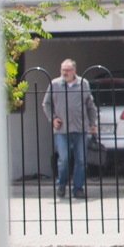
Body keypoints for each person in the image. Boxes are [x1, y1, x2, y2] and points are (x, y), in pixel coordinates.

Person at [43, 57, 96, 198]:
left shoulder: (83, 84)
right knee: (64, 159)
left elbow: (90, 105)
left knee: (80, 160)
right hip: (62, 129)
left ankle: (78, 188)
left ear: (74, 71)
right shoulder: (55, 84)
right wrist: (53, 118)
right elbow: (46, 104)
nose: (65, 73)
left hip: (80, 128)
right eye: (63, 70)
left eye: (67, 70)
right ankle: (62, 184)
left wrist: (93, 123)